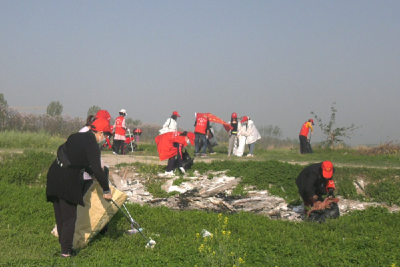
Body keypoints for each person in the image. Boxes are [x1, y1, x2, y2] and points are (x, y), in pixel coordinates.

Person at [46, 118, 112, 257]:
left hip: (54, 173)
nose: (105, 138)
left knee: (60, 213)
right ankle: (66, 252)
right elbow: (97, 169)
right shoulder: (92, 144)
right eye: (105, 135)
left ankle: (63, 244)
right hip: (67, 178)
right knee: (70, 217)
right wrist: (106, 189)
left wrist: (91, 172)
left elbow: (78, 159)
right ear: (99, 132)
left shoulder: (77, 136)